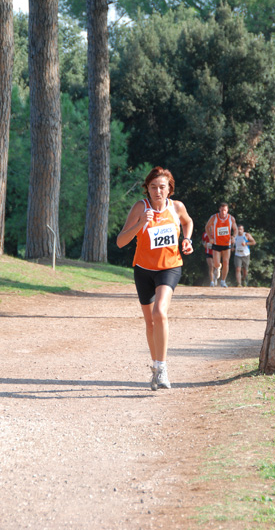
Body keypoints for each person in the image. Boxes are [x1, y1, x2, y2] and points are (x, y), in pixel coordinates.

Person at [117, 166, 193, 391]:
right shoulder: (140, 207)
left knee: (160, 312)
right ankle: (156, 368)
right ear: (147, 189)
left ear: (170, 189)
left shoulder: (176, 207)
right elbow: (121, 241)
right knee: (150, 322)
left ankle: (163, 367)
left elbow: (187, 222)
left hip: (169, 267)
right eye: (153, 187)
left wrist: (187, 240)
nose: (158, 191)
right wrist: (141, 223)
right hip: (143, 270)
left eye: (162, 187)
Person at [205, 203, 237, 288]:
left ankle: (223, 281)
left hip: (227, 244)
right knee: (216, 263)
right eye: (222, 210)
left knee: (226, 262)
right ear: (219, 209)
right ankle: (218, 267)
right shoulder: (214, 217)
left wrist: (233, 237)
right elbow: (207, 227)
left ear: (227, 210)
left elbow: (235, 229)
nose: (223, 212)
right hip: (216, 243)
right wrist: (210, 237)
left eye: (225, 210)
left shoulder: (231, 218)